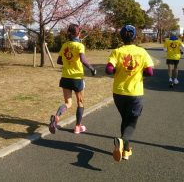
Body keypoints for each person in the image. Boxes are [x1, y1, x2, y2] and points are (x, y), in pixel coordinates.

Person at [105, 25, 154, 162]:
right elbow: (150, 72)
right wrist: (139, 73)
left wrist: (116, 71)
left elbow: (109, 70)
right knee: (131, 122)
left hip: (119, 92)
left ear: (121, 37)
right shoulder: (142, 52)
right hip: (135, 93)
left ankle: (126, 151)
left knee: (125, 120)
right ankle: (122, 141)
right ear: (135, 37)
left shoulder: (117, 51)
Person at [49, 24, 96, 134]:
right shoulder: (79, 45)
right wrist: (92, 68)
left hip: (65, 77)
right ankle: (78, 127)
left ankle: (56, 116)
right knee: (80, 102)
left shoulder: (65, 45)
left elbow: (59, 61)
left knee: (68, 103)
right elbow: (83, 60)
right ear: (78, 33)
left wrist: (67, 63)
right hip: (77, 78)